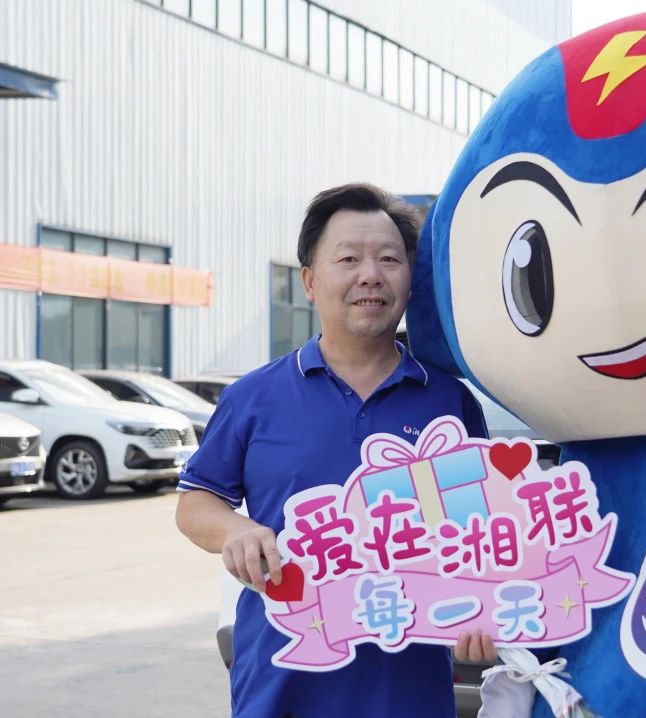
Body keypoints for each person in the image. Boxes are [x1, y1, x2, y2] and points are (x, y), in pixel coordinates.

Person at [176, 183, 495, 718]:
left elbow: (477, 528)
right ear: (309, 281)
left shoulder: (449, 401)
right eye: (348, 259)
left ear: (410, 280)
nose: (370, 274)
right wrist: (236, 531)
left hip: (410, 692)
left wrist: (482, 608)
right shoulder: (253, 397)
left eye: (389, 259)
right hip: (281, 684)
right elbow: (195, 503)